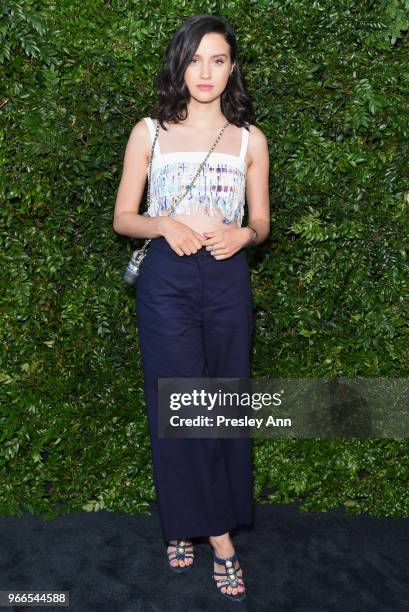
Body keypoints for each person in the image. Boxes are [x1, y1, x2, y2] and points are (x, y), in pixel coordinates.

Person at [113, 13, 270, 602]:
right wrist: (165, 224)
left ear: (232, 68)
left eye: (219, 60)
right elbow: (123, 217)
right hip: (167, 280)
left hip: (228, 279)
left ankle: (186, 523)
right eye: (195, 59)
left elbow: (262, 221)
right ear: (180, 63)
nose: (205, 72)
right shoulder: (148, 132)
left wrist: (245, 238)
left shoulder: (250, 139)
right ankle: (216, 536)